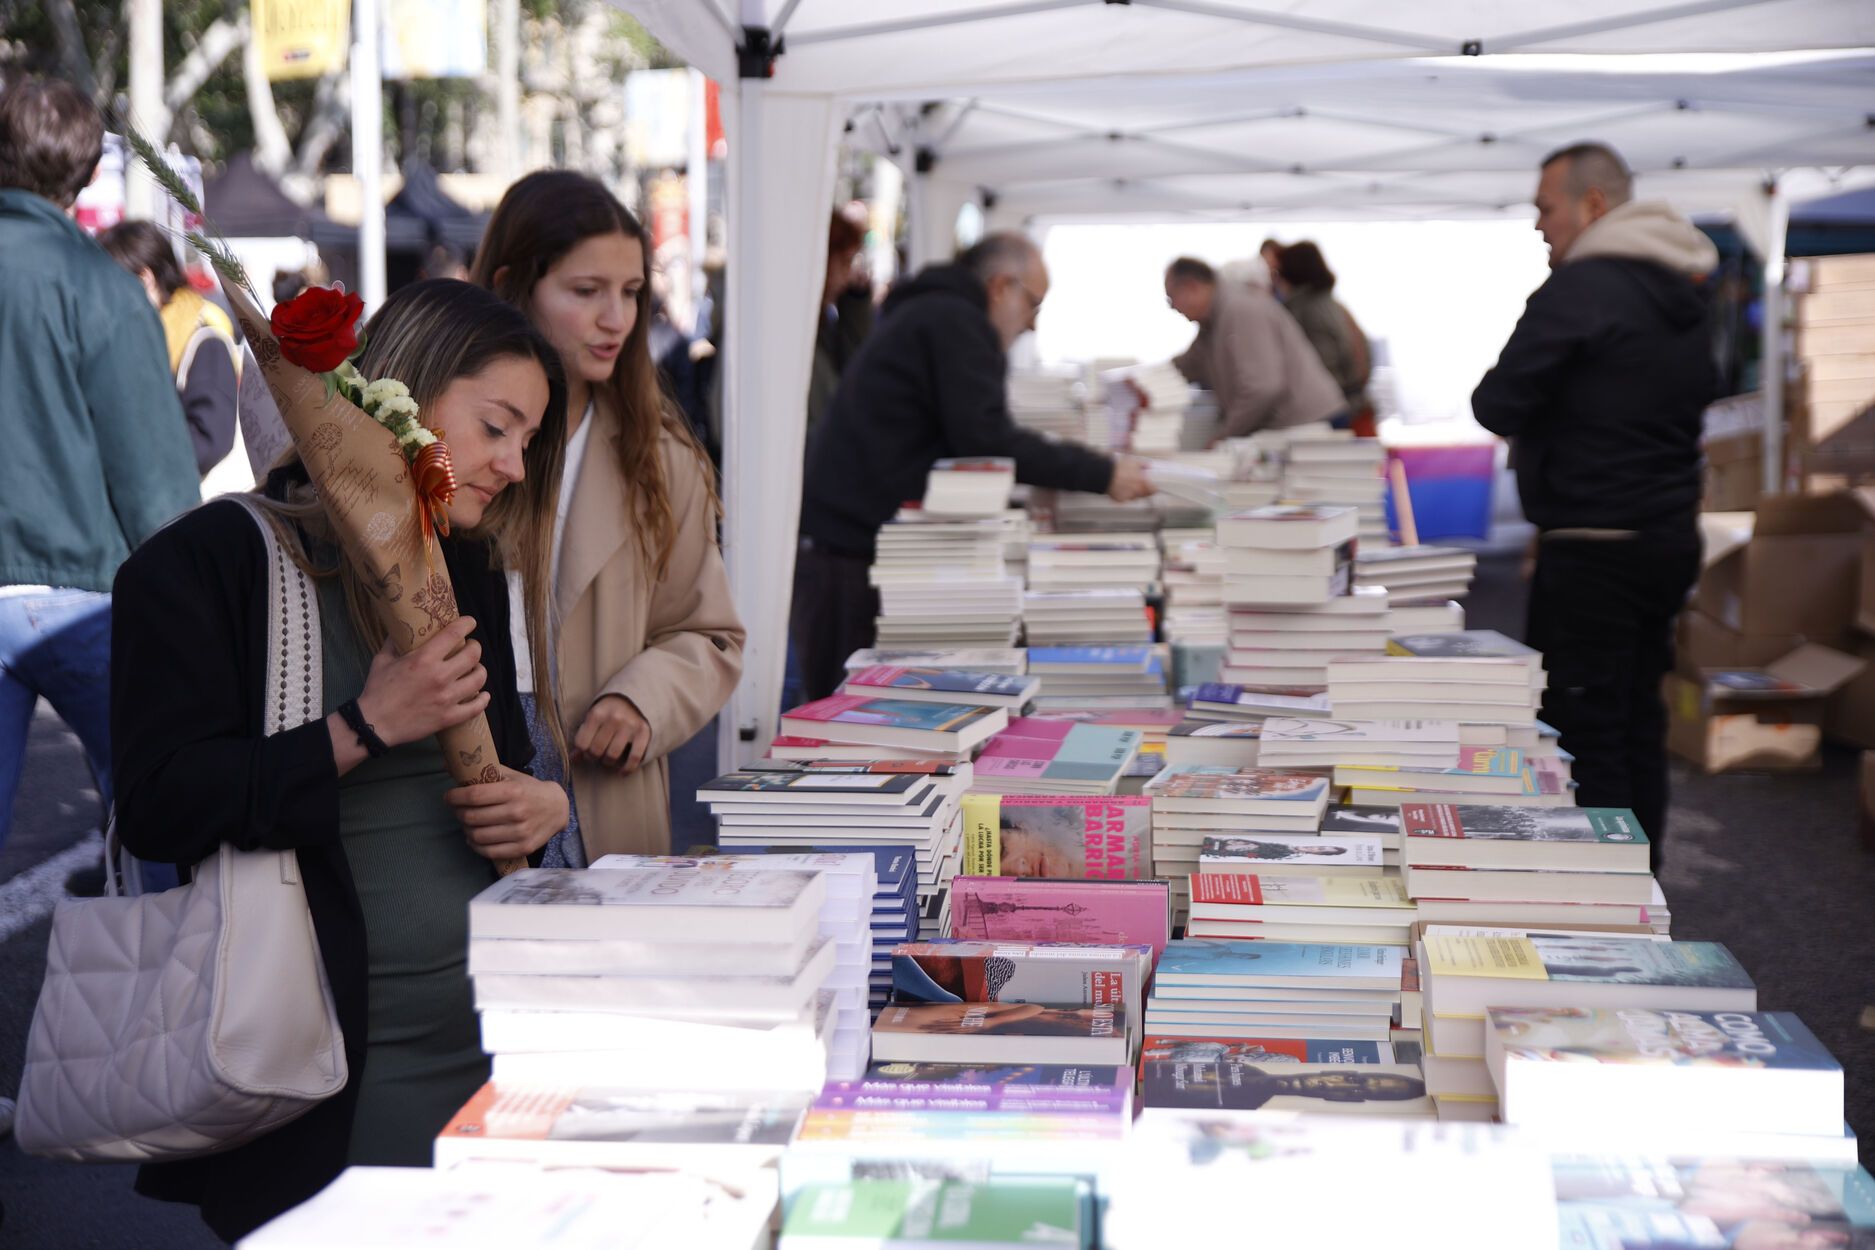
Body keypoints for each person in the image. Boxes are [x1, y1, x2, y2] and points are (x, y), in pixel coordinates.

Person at [113, 279, 572, 1240]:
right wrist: (363, 727)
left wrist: (543, 805)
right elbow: (161, 804)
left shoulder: (464, 560)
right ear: (407, 391)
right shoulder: (208, 564)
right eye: (497, 427)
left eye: (528, 440)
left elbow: (510, 767)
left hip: (489, 1036)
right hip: (317, 1063)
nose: (514, 465)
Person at [474, 170, 745, 863]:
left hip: (602, 797)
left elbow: (709, 633)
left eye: (630, 293)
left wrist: (642, 700)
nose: (615, 319)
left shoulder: (660, 457)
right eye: (585, 291)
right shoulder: (441, 439)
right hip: (464, 789)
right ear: (511, 286)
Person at [1472, 141, 1717, 870]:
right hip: (1666, 537)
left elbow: (1497, 399)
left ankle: (1604, 900)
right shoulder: (1684, 291)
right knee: (1637, 717)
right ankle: (1646, 886)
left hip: (1592, 546)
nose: (1538, 226)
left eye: (1545, 208)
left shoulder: (1580, 289)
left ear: (1593, 205)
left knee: (1583, 729)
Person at [795, 232, 1154, 701]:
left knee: (850, 703)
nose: (1030, 326)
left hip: (851, 536)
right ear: (1002, 286)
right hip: (852, 548)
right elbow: (986, 436)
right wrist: (1101, 474)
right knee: (846, 710)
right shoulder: (956, 320)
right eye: (1034, 305)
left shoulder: (934, 311)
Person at [0, 78, 199, 864]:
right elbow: (151, 474)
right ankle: (158, 985)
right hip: (82, 589)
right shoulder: (103, 289)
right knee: (161, 815)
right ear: (86, 175)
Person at [98, 219, 241, 477]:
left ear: (145, 278)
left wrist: (133, 463)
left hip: (183, 507)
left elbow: (211, 439)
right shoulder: (136, 334)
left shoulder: (203, 340)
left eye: (108, 283)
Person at [1163, 256, 1344, 441]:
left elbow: (1263, 388)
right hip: (1295, 426)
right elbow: (1187, 364)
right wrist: (1146, 380)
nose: (1174, 308)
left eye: (1171, 298)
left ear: (1192, 286)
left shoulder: (1239, 310)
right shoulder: (1212, 323)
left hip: (1308, 425)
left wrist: (1226, 436)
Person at [1274, 241, 1372, 434]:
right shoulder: (1331, 303)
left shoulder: (1306, 309)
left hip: (1335, 409)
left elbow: (1323, 362)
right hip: (1353, 403)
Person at [805, 209, 868, 437]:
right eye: (844, 262)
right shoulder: (800, 332)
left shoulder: (824, 322)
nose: (848, 274)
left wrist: (856, 304)